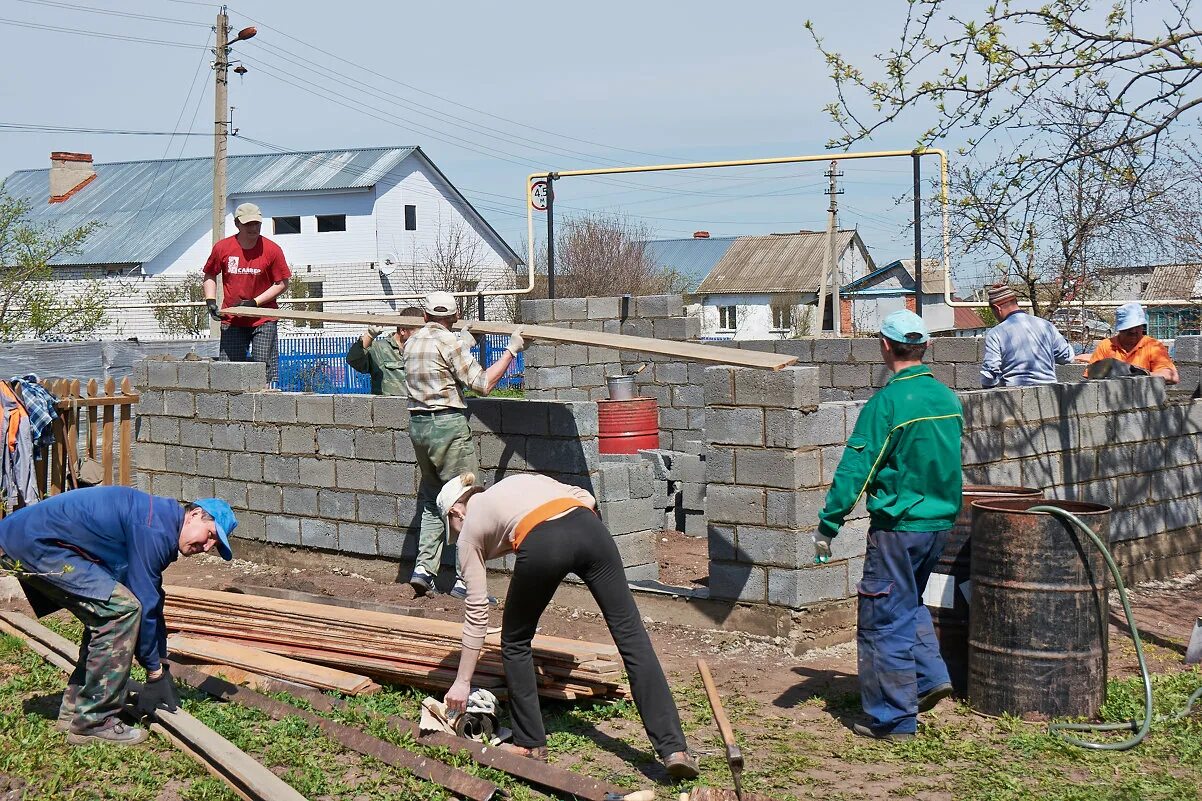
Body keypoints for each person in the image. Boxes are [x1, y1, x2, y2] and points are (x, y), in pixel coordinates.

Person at [437, 471, 700, 779]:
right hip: (591, 530)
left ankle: (530, 745)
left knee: (515, 640)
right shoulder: (518, 482)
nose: (458, 534)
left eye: (453, 527)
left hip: (545, 542)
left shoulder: (469, 527)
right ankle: (674, 749)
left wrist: (462, 683)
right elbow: (586, 497)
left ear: (456, 510)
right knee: (631, 635)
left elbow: (478, 611)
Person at [814, 309, 963, 742]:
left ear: (883, 346)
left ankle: (893, 720)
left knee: (883, 620)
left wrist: (829, 524)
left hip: (899, 528)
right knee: (909, 599)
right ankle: (929, 678)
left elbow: (856, 468)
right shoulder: (947, 399)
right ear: (925, 346)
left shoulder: (887, 404)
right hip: (938, 525)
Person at [0, 487, 238, 745]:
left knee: (108, 611)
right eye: (210, 535)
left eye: (214, 545)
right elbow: (143, 604)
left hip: (27, 539)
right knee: (120, 612)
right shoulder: (154, 529)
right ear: (194, 514)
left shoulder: (159, 521)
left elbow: (152, 598)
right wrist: (154, 672)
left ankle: (75, 711)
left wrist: (160, 663)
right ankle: (94, 721)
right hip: (35, 543)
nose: (207, 546)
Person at [403, 291, 525, 599]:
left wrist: (466, 344)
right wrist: (511, 351)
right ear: (454, 317)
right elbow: (484, 384)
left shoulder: (412, 342)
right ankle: (465, 582)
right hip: (447, 427)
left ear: (424, 316)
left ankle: (423, 571)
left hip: (418, 427)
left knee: (433, 499)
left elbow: (440, 367)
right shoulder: (450, 342)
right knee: (466, 502)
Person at [202, 203, 292, 384]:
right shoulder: (223, 248)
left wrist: (255, 302)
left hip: (264, 317)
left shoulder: (272, 250)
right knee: (230, 372)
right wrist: (210, 301)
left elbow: (282, 283)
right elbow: (210, 274)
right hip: (233, 318)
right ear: (237, 224)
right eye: (248, 224)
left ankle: (264, 402)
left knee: (261, 366)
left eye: (256, 224)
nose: (253, 228)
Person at [980, 284, 1074, 387]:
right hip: (1049, 394)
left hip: (1015, 396)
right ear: (1015, 302)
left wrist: (987, 391)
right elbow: (1066, 356)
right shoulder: (1046, 325)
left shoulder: (996, 333)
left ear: (997, 309)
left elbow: (990, 373)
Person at [1085, 302, 1179, 384]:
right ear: (1120, 329)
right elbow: (1091, 376)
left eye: (1137, 326)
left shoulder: (1153, 346)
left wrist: (1145, 374)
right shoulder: (1106, 346)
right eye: (1128, 328)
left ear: (1142, 326)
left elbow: (1172, 376)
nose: (1133, 331)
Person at [346, 306, 424, 396]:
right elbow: (353, 360)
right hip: (386, 408)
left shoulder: (423, 350)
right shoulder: (380, 349)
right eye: (419, 333)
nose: (423, 336)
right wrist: (369, 335)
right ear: (403, 330)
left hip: (417, 408)